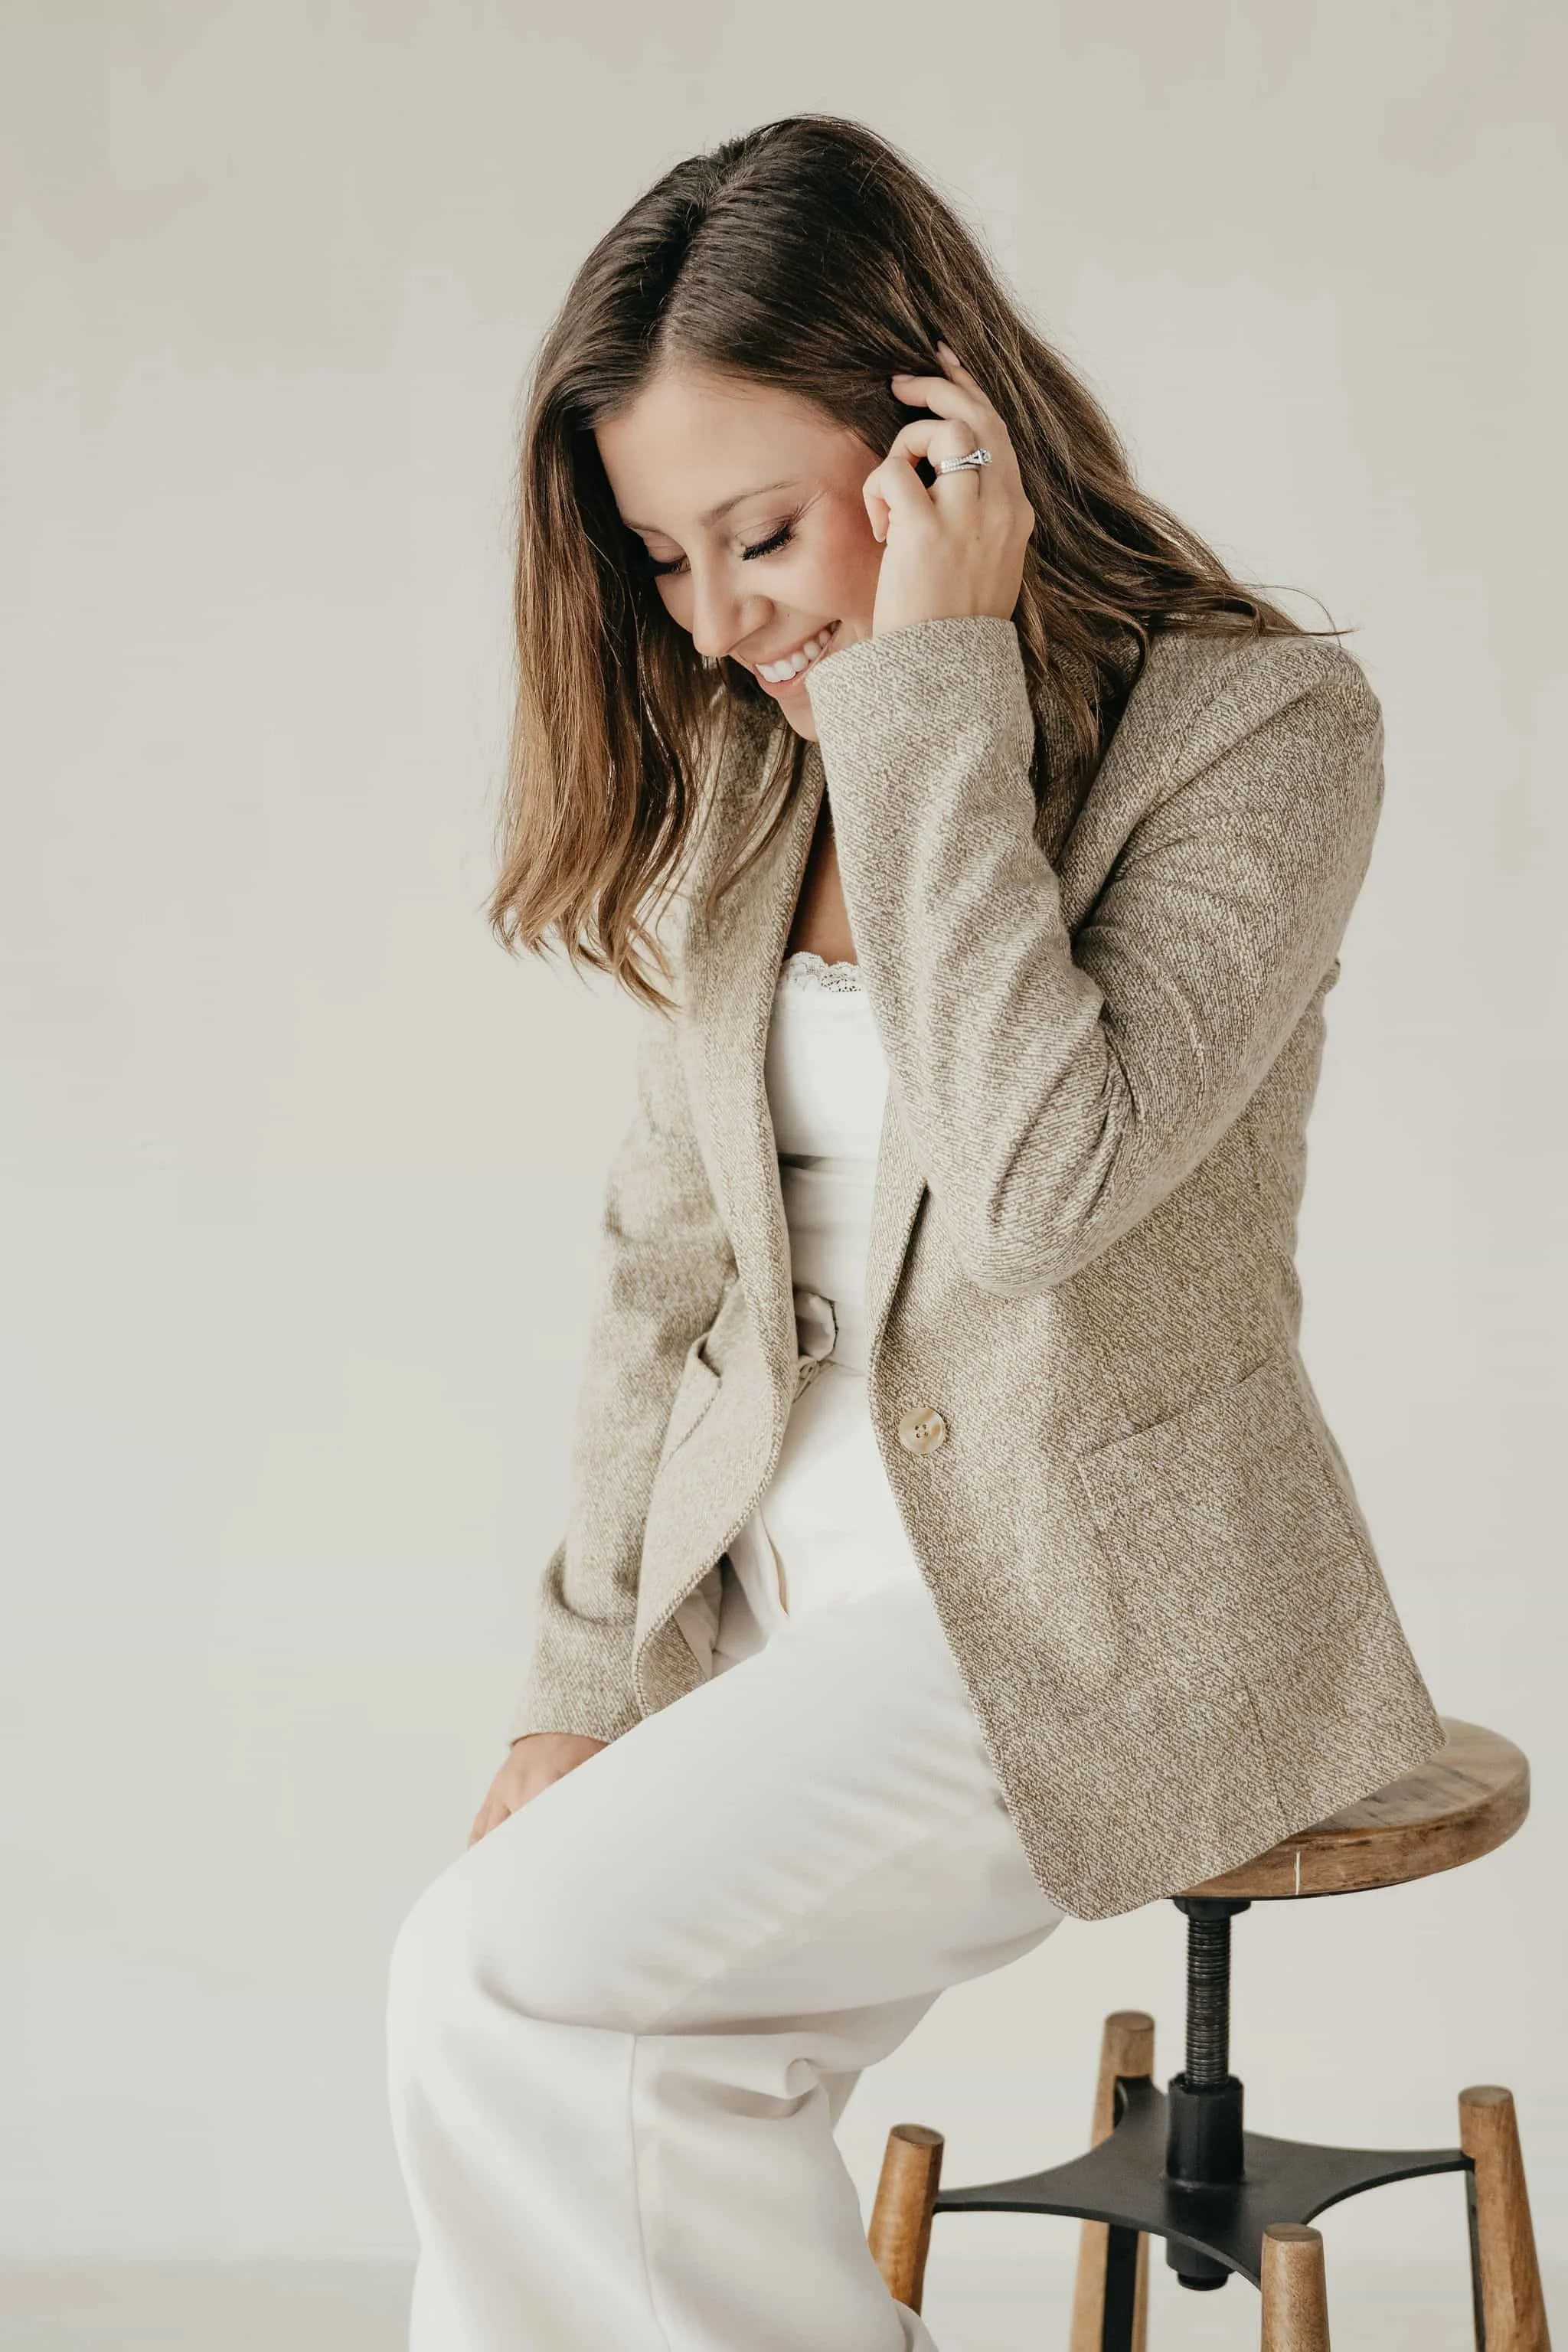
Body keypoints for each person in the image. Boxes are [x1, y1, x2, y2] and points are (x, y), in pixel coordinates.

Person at [385, 112, 1443, 2351]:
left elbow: (1050, 1184)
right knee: (579, 2057)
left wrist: (934, 699)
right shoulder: (752, 779)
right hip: (773, 1619)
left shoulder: (1261, 734)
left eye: (759, 533)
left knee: (492, 1992)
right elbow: (666, 1284)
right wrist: (578, 1687)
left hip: (1073, 1616)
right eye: (665, 563)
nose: (721, 617)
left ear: (942, 435)